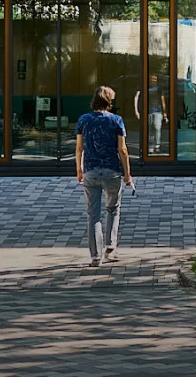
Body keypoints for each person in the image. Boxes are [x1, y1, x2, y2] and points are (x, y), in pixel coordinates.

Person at [76, 85, 133, 267]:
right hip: (112, 171)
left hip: (90, 171)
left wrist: (79, 168)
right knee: (113, 208)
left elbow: (79, 148)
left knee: (93, 215)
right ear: (109, 102)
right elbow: (122, 149)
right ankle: (110, 248)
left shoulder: (83, 120)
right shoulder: (116, 120)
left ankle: (95, 257)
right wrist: (128, 174)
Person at [134, 73, 167, 155]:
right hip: (147, 112)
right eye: (152, 79)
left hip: (158, 111)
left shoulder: (159, 88)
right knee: (150, 130)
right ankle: (151, 146)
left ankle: (157, 146)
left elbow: (163, 101)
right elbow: (136, 97)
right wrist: (136, 111)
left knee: (157, 127)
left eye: (155, 79)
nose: (153, 81)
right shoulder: (144, 87)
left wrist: (165, 113)